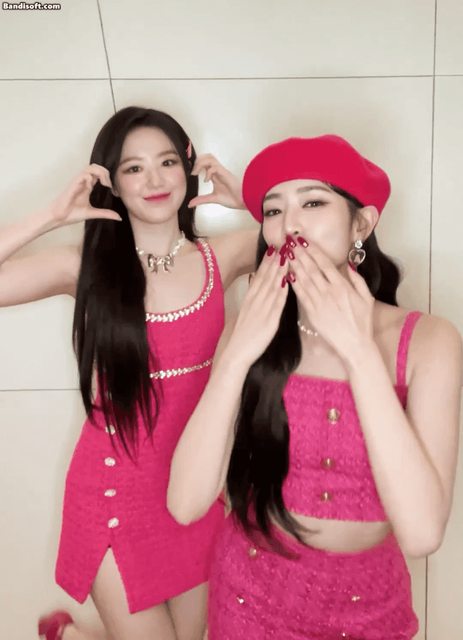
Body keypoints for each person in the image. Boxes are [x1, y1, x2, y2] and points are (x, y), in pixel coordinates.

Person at [168, 135, 462, 639]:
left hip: (370, 609)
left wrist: (358, 351)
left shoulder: (430, 342)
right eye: (273, 210)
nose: (290, 226)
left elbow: (421, 533)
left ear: (362, 224)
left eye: (313, 203)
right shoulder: (247, 330)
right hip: (247, 600)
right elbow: (185, 503)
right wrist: (236, 355)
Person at [0, 106, 258, 640]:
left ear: (188, 165)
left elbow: (323, 247)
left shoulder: (225, 256)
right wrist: (50, 216)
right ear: (112, 184)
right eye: (133, 168)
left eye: (167, 161)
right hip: (112, 497)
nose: (155, 179)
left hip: (193, 489)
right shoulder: (85, 268)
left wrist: (256, 205)